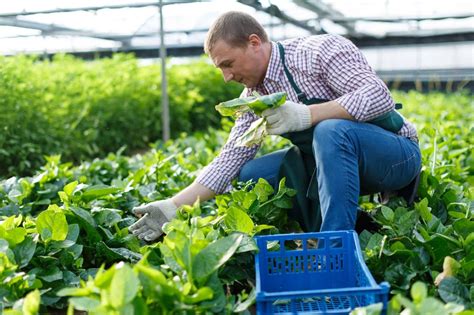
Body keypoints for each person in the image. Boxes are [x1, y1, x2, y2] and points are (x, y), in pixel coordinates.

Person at [129, 11, 421, 242]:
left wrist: (307, 114)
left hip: (395, 158)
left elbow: (378, 96)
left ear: (254, 42)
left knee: (330, 130)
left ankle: (333, 245)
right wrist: (173, 206)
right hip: (339, 169)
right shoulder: (254, 98)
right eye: (220, 68)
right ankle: (357, 224)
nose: (226, 77)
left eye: (228, 64)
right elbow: (230, 158)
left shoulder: (319, 51)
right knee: (250, 175)